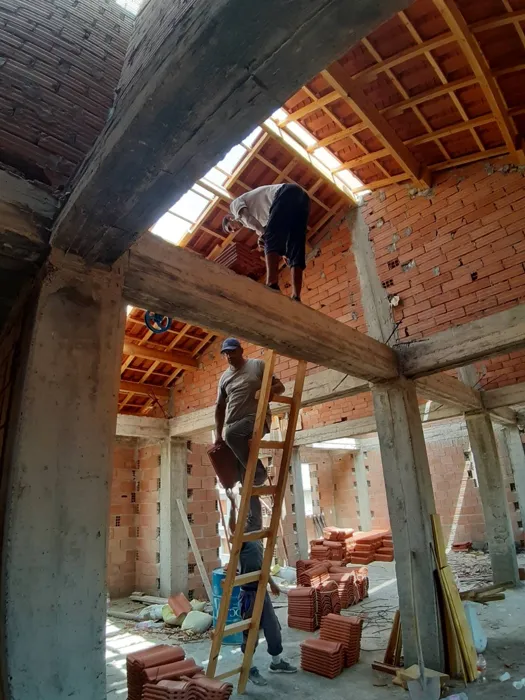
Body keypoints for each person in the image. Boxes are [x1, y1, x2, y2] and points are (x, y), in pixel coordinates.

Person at [215, 338, 285, 532]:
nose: (229, 356)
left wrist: (268, 391)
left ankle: (260, 472)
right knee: (247, 477)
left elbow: (280, 387)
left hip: (256, 421)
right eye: (225, 353)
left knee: (232, 435)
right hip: (234, 428)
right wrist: (217, 435)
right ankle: (253, 524)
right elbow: (220, 408)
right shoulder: (224, 378)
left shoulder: (257, 365)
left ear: (240, 350)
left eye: (232, 351)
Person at [227, 490, 297, 685]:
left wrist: (273, 584)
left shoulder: (257, 536)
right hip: (248, 595)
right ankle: (248, 668)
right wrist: (232, 502)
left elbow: (263, 566)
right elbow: (233, 524)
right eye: (251, 518)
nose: (255, 520)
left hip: (262, 592)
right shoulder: (241, 539)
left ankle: (276, 662)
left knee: (273, 628)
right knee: (251, 634)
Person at [222, 183, 310, 302]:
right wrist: (284, 253)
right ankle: (296, 296)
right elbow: (275, 230)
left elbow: (250, 220)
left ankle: (271, 284)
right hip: (303, 200)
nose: (234, 230)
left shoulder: (234, 206)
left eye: (230, 228)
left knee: (270, 237)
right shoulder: (259, 219)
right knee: (296, 247)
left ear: (229, 218)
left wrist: (264, 235)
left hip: (285, 192)